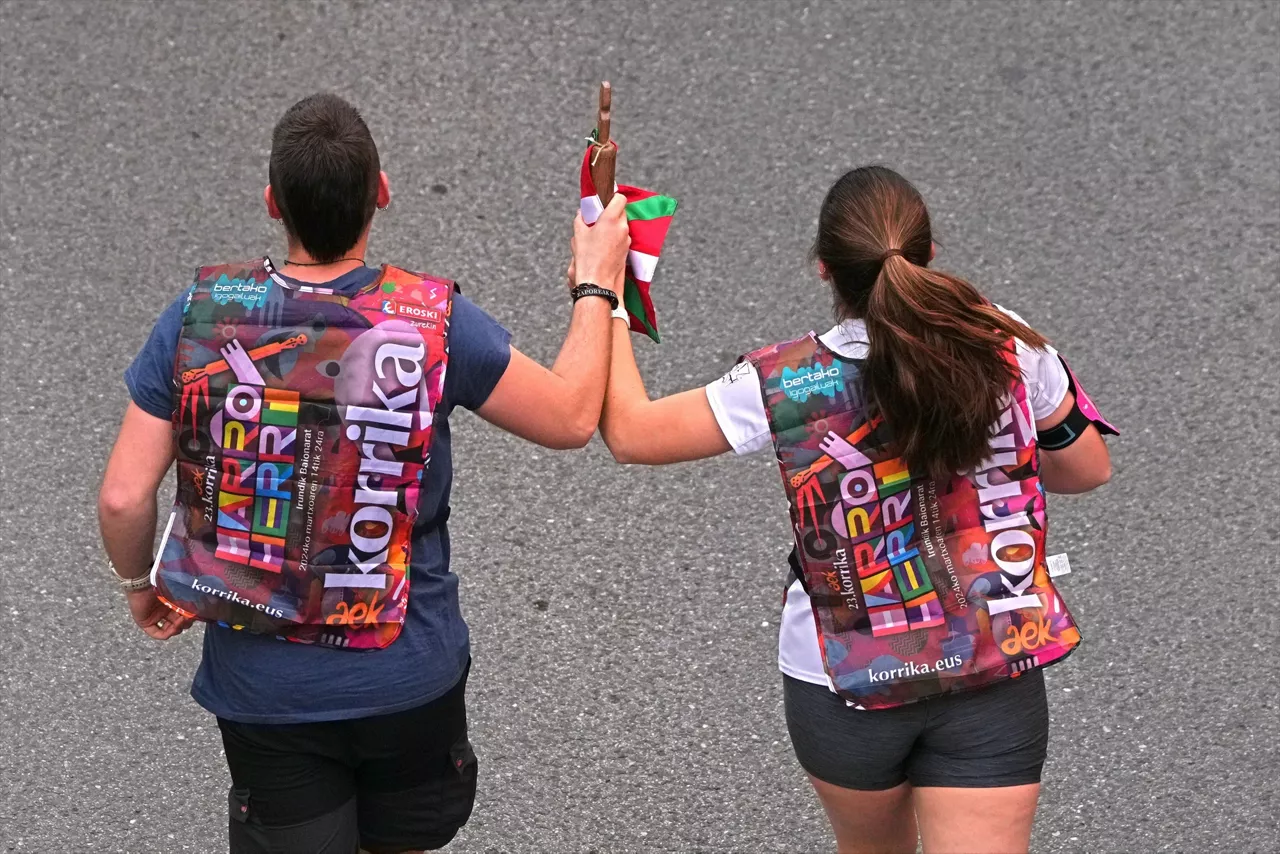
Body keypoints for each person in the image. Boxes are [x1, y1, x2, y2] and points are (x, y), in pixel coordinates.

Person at [97, 92, 631, 854]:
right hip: (407, 676)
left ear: (272, 202)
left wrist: (139, 588)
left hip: (265, 690)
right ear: (380, 192)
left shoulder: (199, 314)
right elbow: (575, 415)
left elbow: (122, 496)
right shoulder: (431, 321)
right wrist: (595, 280)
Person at [597, 165, 1115, 854]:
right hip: (992, 663)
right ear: (929, 255)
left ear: (824, 271)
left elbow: (631, 433)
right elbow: (1084, 467)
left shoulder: (785, 381)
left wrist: (604, 292)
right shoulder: (1007, 342)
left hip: (845, 682)